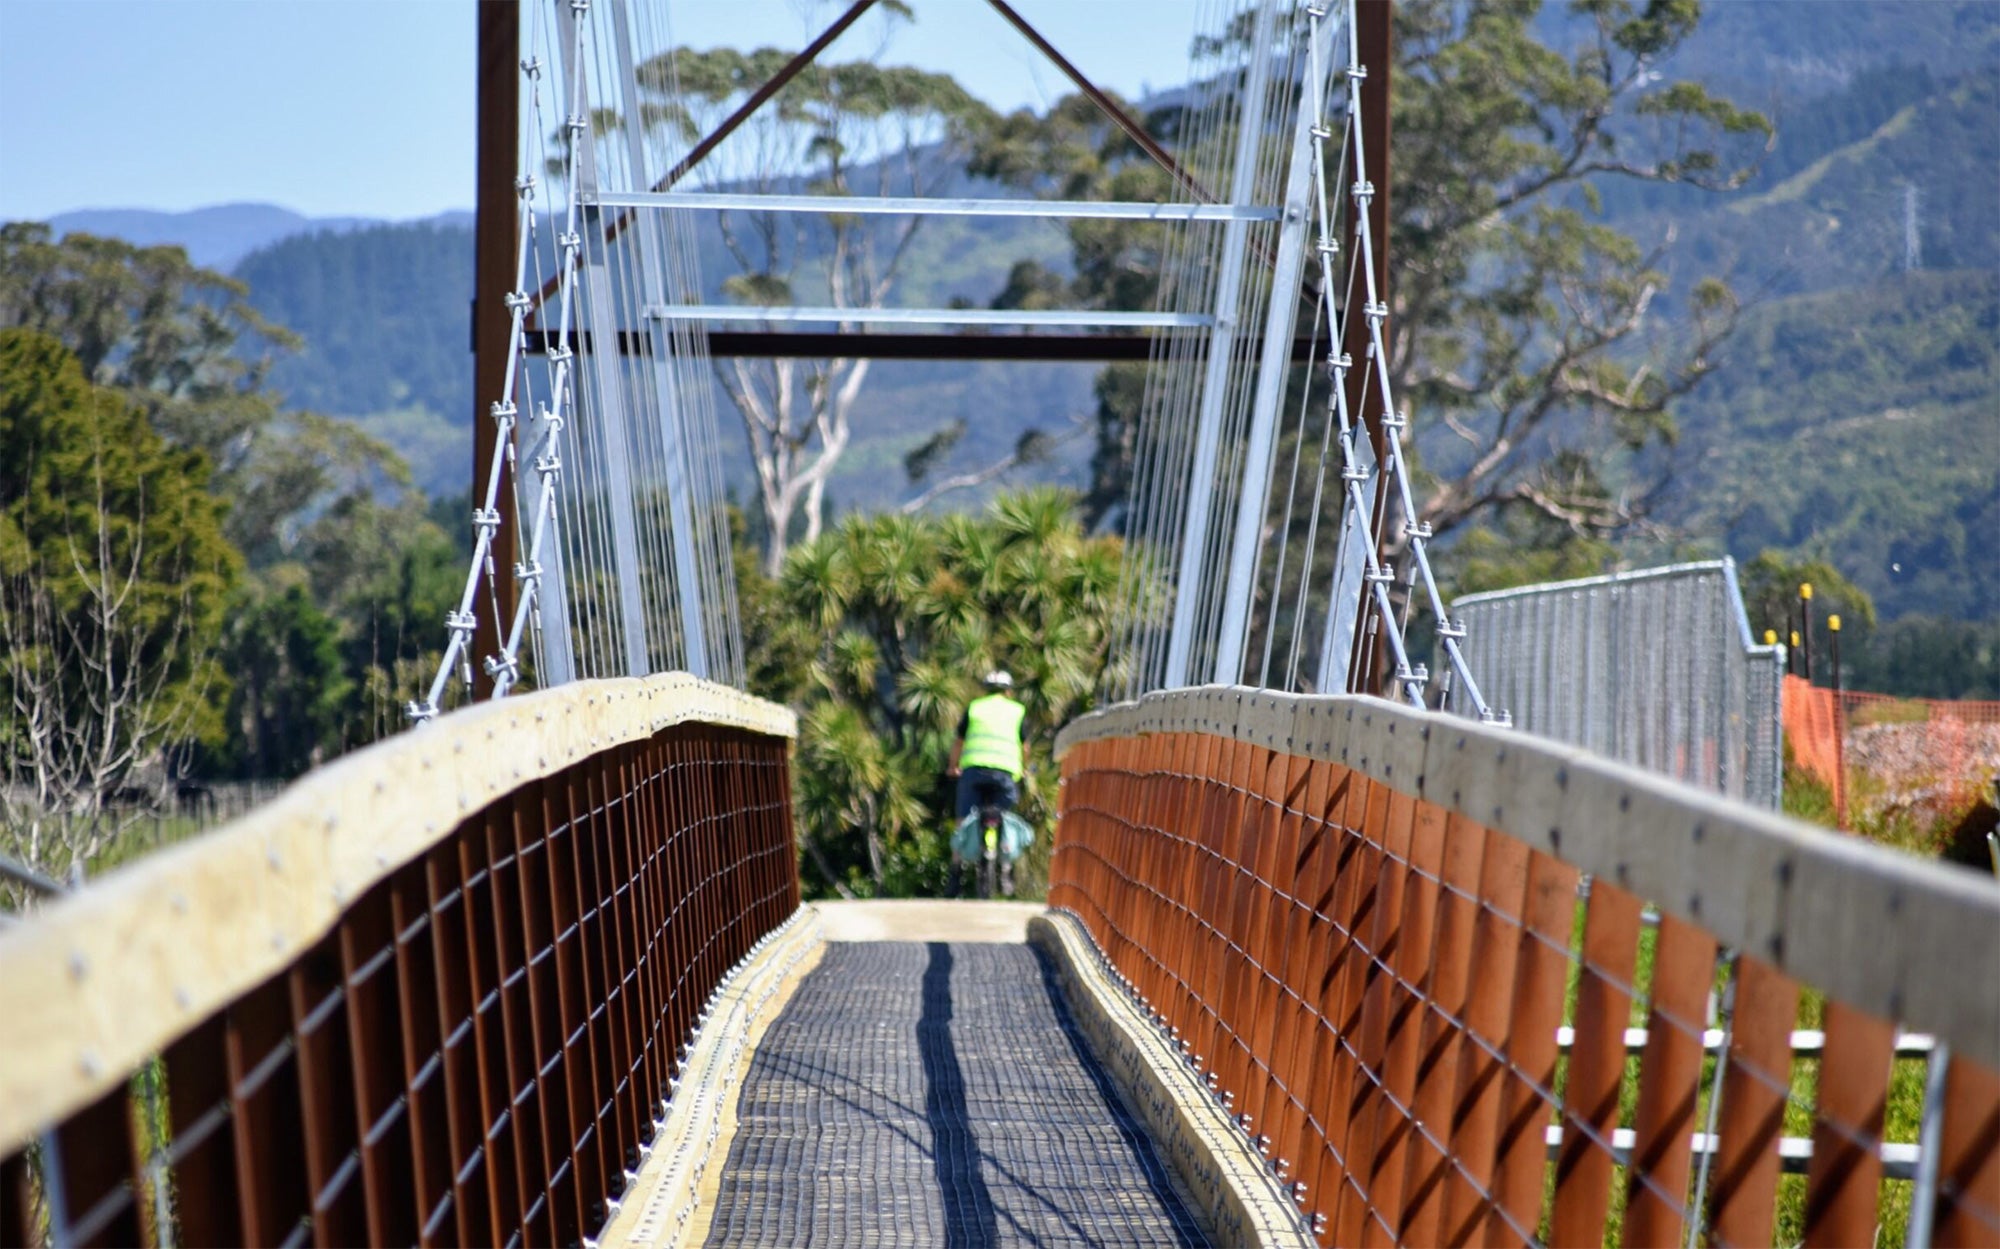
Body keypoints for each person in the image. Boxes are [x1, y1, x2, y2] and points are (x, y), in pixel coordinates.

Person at [947, 670, 1027, 894]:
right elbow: (1025, 747)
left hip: (973, 770)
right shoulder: (1017, 710)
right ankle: (1007, 869)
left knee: (963, 819)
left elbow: (959, 741)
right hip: (1005, 773)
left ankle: (956, 872)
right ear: (1009, 691)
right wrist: (1022, 769)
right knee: (1006, 817)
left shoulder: (975, 707)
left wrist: (953, 766)